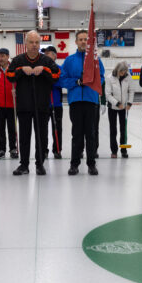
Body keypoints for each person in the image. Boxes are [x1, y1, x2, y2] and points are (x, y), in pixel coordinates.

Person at [7, 29, 60, 175]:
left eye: (37, 42)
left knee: (41, 137)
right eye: (31, 42)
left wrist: (44, 70)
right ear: (26, 43)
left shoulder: (46, 61)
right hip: (23, 105)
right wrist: (20, 70)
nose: (34, 45)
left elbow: (56, 75)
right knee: (24, 137)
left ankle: (39, 164)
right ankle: (24, 165)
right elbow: (9, 75)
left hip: (42, 106)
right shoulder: (18, 60)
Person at [58, 29, 105, 175]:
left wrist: (91, 82)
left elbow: (101, 77)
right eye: (81, 39)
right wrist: (77, 82)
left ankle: (91, 164)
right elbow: (62, 80)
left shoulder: (96, 60)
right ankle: (74, 164)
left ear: (90, 42)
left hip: (91, 101)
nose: (84, 41)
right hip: (76, 101)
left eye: (86, 39)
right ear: (76, 42)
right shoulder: (69, 60)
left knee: (90, 133)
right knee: (77, 134)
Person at [105, 61, 134, 158]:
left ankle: (124, 149)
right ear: (118, 70)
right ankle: (114, 151)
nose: (123, 74)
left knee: (123, 130)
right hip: (113, 107)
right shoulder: (109, 78)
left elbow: (131, 90)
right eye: (122, 72)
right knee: (113, 130)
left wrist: (129, 103)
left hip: (124, 108)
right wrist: (117, 103)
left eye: (125, 72)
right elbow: (108, 94)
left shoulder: (128, 77)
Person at [0, 48, 17, 158]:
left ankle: (13, 148)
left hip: (12, 105)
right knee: (0, 129)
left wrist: (16, 92)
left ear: (8, 57)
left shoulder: (13, 69)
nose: (1, 58)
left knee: (12, 128)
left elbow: (19, 83)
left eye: (3, 56)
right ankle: (1, 149)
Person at [44, 45, 64, 158]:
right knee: (43, 129)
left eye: (48, 53)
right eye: (45, 53)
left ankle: (57, 149)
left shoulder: (59, 68)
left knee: (57, 128)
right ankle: (44, 150)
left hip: (56, 103)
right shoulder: (42, 68)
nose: (46, 55)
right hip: (44, 103)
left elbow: (61, 82)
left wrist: (52, 81)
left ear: (54, 56)